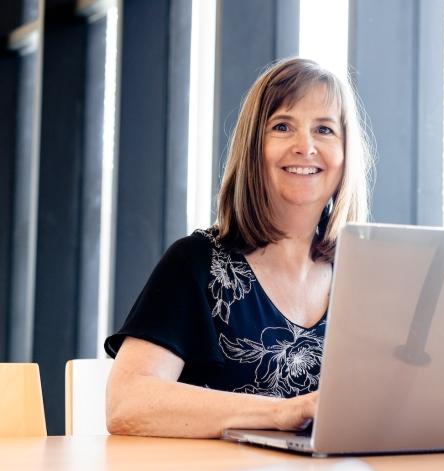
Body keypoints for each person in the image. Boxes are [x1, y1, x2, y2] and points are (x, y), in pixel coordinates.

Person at [104, 58, 373, 438]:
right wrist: (283, 412)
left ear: (345, 155)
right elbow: (126, 404)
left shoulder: (368, 276)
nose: (305, 147)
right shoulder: (197, 263)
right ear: (253, 148)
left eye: (325, 130)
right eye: (282, 126)